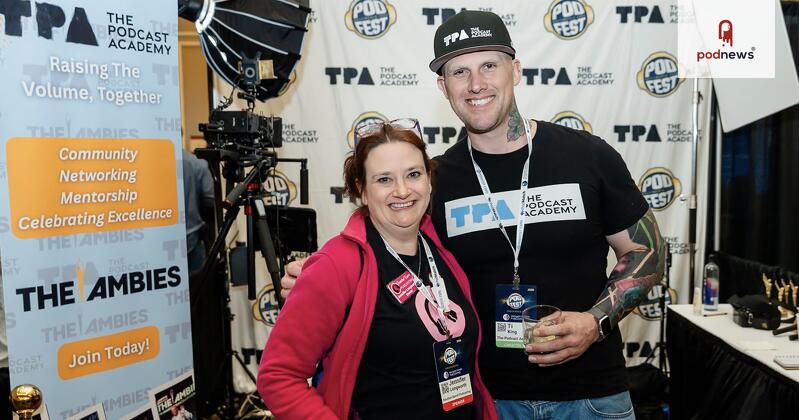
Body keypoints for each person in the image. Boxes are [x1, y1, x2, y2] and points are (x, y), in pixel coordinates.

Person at [281, 10, 665, 420]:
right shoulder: (433, 181)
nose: (476, 84)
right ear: (442, 86)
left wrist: (595, 321)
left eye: (488, 65)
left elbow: (649, 254)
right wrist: (316, 276)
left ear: (514, 70)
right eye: (459, 72)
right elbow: (384, 249)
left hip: (592, 398)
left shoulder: (588, 156)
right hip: (488, 401)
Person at [257, 120, 496, 419]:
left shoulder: (441, 246)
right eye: (384, 179)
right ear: (362, 190)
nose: (402, 190)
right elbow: (278, 376)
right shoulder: (338, 264)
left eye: (413, 174)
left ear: (429, 180)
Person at [181, 149, 214, 273]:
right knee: (197, 286)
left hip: (162, 241)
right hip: (193, 236)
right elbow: (210, 202)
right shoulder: (197, 163)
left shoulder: (151, 162)